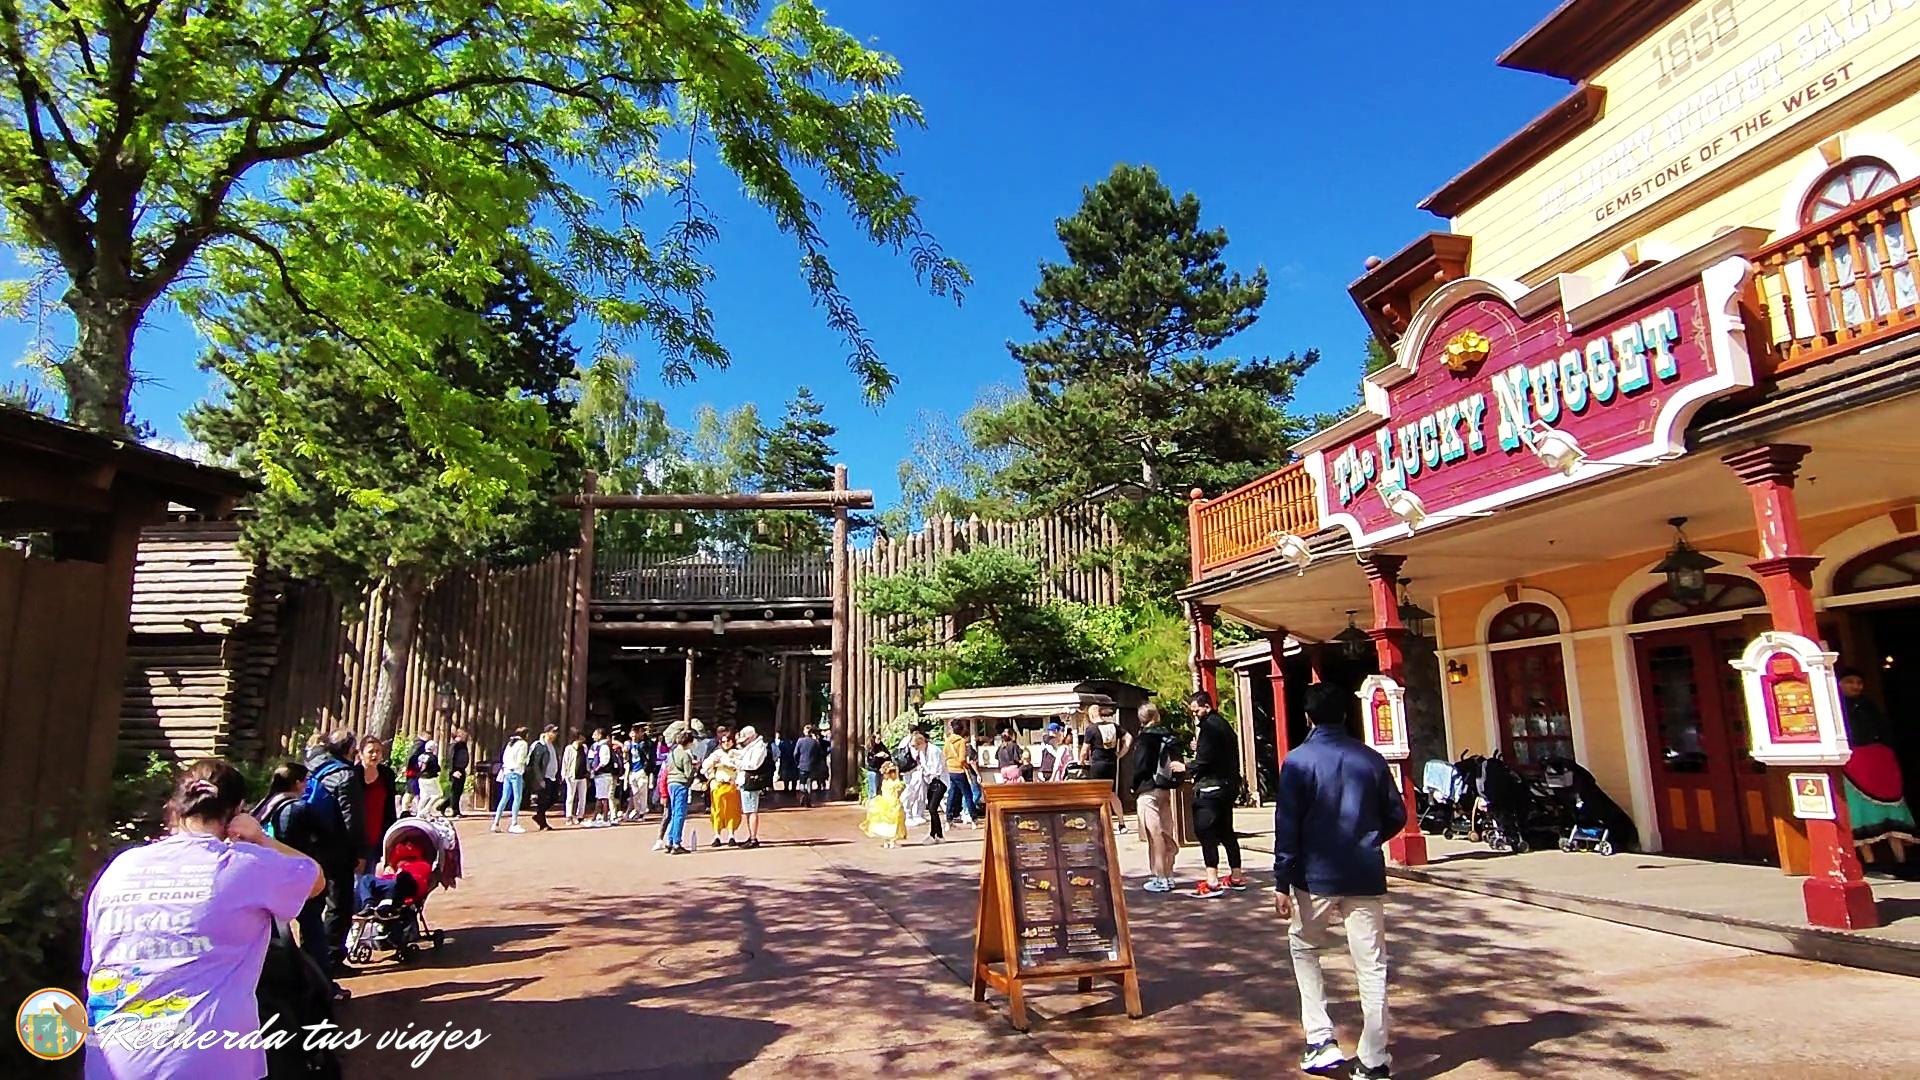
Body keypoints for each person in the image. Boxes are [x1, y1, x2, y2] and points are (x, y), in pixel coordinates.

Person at [85, 759, 325, 1080]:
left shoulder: (119, 868)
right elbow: (315, 879)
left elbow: (96, 964)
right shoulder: (243, 864)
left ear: (175, 808)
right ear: (237, 811)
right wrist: (261, 839)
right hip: (205, 1058)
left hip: (111, 1060)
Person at [1273, 683, 1408, 1080]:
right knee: (1372, 965)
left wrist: (1282, 879)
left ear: (1308, 718)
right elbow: (1396, 814)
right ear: (1346, 715)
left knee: (1304, 946)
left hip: (1315, 875)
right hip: (1364, 871)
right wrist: (1367, 839)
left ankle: (1320, 1038)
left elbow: (1288, 826)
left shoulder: (1297, 761)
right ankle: (1374, 1056)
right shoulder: (1370, 759)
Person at [250, 762, 333, 981]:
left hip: (267, 878)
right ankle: (322, 983)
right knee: (313, 930)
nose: (307, 785)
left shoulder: (263, 807)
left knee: (275, 933)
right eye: (305, 781)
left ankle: (283, 979)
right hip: (298, 874)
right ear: (297, 783)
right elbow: (325, 837)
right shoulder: (299, 808)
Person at [304, 729, 362, 973]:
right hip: (336, 848)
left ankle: (309, 958)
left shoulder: (310, 767)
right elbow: (352, 819)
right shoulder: (345, 775)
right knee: (339, 904)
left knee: (313, 906)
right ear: (349, 749)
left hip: (308, 845)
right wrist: (357, 852)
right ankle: (331, 958)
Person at [1188, 690, 1249, 897]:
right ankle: (1236, 876)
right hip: (1229, 784)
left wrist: (1186, 767)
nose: (1195, 715)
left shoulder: (1208, 727)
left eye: (1197, 711)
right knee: (1226, 831)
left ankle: (1212, 880)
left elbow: (1204, 760)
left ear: (1206, 706)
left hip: (1210, 786)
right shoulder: (1223, 725)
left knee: (1205, 831)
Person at [1130, 703, 1184, 893]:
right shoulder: (1169, 736)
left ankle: (1160, 876)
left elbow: (1141, 765)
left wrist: (1133, 784)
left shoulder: (1145, 738)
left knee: (1154, 834)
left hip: (1148, 789)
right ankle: (1169, 873)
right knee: (1166, 830)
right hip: (1165, 789)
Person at [354, 737, 399, 907]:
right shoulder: (353, 774)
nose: (374, 755)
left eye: (378, 751)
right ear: (361, 753)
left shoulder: (387, 775)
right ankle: (354, 920)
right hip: (358, 835)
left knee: (371, 876)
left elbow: (390, 807)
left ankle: (368, 913)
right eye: (370, 751)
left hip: (379, 832)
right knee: (356, 880)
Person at [1083, 705, 1132, 832]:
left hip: (1098, 763)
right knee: (1111, 793)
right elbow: (1129, 737)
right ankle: (1121, 823)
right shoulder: (1113, 726)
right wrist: (1121, 754)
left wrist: (1081, 761)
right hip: (1112, 763)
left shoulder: (1091, 729)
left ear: (1091, 715)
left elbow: (1084, 750)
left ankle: (1100, 824)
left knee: (1098, 794)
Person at [703, 728, 745, 847]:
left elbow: (742, 769)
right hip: (718, 786)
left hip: (732, 786)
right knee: (717, 811)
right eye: (723, 741)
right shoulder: (716, 754)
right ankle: (717, 835)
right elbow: (706, 766)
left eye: (728, 741)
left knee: (732, 811)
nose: (726, 743)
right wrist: (712, 775)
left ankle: (731, 835)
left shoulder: (737, 754)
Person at [736, 726, 772, 848]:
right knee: (747, 811)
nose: (744, 742)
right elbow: (743, 754)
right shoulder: (751, 746)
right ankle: (750, 835)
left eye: (745, 739)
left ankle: (753, 838)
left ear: (751, 737)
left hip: (751, 780)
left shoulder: (759, 747)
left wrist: (737, 763)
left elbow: (754, 765)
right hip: (744, 780)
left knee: (752, 810)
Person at [663, 728, 698, 854]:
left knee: (673, 813)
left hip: (670, 783)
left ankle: (669, 840)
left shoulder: (671, 754)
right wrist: (695, 768)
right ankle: (676, 843)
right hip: (680, 784)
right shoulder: (685, 755)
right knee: (680, 813)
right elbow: (688, 773)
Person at [1838, 667, 1891, 747]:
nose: (1855, 687)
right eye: (1850, 682)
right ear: (1839, 683)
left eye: (1859, 683)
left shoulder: (1868, 705)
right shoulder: (1833, 705)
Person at [492, 727, 531, 833]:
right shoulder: (523, 744)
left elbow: (504, 758)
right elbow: (521, 760)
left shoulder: (510, 743)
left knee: (504, 797)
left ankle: (496, 822)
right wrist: (526, 761)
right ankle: (514, 823)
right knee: (517, 798)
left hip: (507, 772)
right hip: (516, 772)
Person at [863, 762, 907, 848]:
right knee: (894, 822)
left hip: (884, 802)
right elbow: (900, 790)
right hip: (893, 803)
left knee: (885, 822)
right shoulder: (895, 783)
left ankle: (886, 841)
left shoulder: (885, 782)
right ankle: (892, 841)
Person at [528, 725, 560, 831]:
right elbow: (536, 764)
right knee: (543, 800)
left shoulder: (552, 745)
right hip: (544, 777)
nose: (555, 735)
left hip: (552, 776)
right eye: (553, 732)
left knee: (554, 797)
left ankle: (539, 816)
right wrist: (540, 779)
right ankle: (542, 822)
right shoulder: (540, 746)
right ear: (547, 733)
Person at [943, 721, 975, 826]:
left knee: (952, 793)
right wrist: (966, 766)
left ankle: (949, 817)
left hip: (949, 769)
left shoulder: (948, 741)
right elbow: (962, 758)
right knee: (968, 793)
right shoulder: (961, 741)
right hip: (958, 770)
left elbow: (944, 755)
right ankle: (973, 816)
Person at [901, 727, 934, 827]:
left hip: (906, 770)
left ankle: (913, 814)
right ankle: (913, 814)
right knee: (915, 792)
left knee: (911, 790)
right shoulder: (914, 741)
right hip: (915, 769)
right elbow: (917, 756)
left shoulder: (903, 741)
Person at [586, 726, 617, 826]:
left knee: (603, 798)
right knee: (601, 797)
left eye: (595, 734)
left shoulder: (604, 746)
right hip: (600, 776)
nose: (593, 736)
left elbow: (604, 761)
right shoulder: (597, 746)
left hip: (603, 775)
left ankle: (604, 818)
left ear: (600, 735)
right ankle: (597, 818)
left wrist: (595, 769)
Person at [627, 726, 656, 820]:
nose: (633, 736)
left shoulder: (644, 744)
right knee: (635, 793)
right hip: (633, 770)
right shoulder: (629, 745)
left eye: (635, 733)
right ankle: (637, 809)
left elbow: (649, 757)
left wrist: (645, 769)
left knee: (642, 792)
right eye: (632, 733)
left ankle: (642, 811)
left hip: (641, 770)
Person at [794, 725, 825, 808]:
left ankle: (803, 795)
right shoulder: (815, 742)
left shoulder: (800, 741)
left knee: (802, 783)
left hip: (802, 765)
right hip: (812, 766)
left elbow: (795, 753)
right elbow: (820, 754)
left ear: (805, 732)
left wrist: (797, 762)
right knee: (809, 783)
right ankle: (808, 800)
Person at [563, 731, 591, 824]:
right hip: (572, 775)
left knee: (582, 797)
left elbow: (586, 760)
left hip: (582, 775)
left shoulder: (584, 748)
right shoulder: (569, 749)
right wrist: (564, 774)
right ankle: (569, 816)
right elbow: (565, 762)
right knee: (570, 796)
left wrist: (588, 771)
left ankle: (580, 815)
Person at [411, 739, 444, 813]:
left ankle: (419, 813)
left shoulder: (421, 756)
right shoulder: (433, 757)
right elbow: (437, 768)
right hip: (431, 778)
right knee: (438, 794)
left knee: (424, 796)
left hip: (421, 778)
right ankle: (426, 809)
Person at [444, 727, 470, 817]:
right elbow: (450, 759)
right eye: (464, 734)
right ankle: (454, 810)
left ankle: (444, 806)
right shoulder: (454, 745)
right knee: (455, 791)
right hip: (456, 770)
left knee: (459, 791)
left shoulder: (463, 744)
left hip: (461, 769)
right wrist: (453, 771)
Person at [865, 736, 890, 802]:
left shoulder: (882, 747)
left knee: (880, 791)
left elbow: (889, 756)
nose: (879, 740)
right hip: (873, 771)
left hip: (881, 771)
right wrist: (877, 756)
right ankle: (871, 806)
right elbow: (871, 763)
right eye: (878, 739)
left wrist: (886, 756)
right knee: (873, 791)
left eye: (880, 738)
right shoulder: (871, 748)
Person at [777, 728, 799, 799]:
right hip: (789, 761)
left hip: (790, 761)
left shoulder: (784, 743)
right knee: (789, 776)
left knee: (790, 776)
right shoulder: (786, 743)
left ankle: (790, 788)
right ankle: (788, 788)